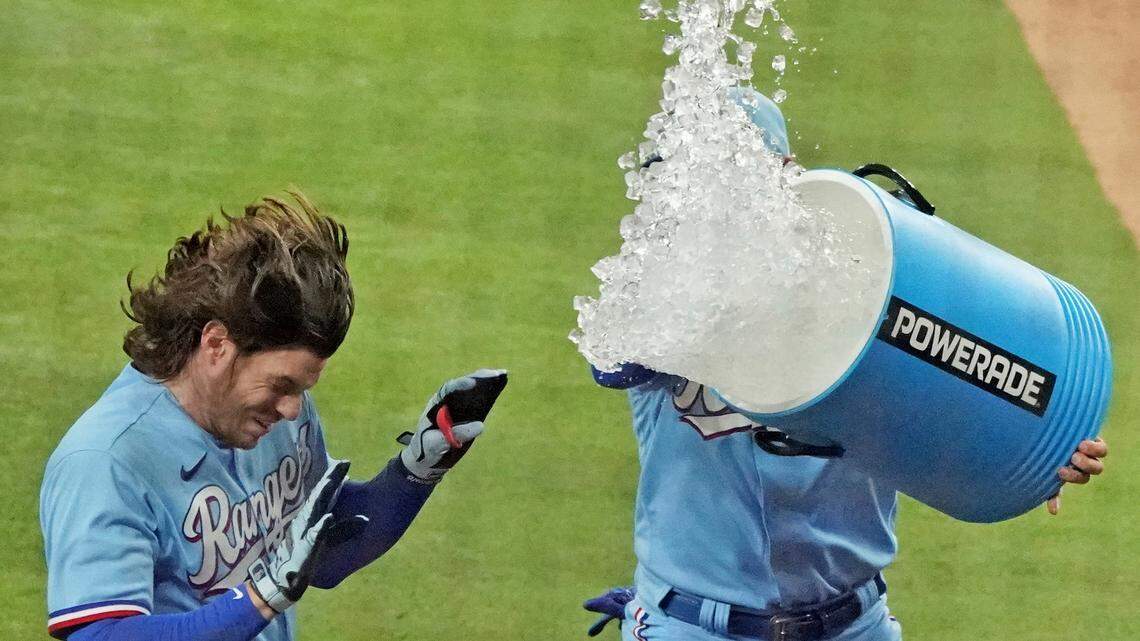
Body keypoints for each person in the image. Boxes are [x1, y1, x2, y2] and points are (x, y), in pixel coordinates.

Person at [581, 89, 1108, 641]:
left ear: (785, 172)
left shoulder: (879, 267)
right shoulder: (651, 292)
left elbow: (976, 368)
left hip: (856, 626)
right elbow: (618, 362)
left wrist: (1031, 445)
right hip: (692, 628)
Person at [39, 192, 507, 641]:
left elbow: (321, 554)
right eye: (282, 385)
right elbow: (102, 634)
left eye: (303, 389)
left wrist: (415, 473)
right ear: (217, 345)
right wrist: (261, 598)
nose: (293, 409)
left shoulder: (273, 417)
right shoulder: (105, 461)